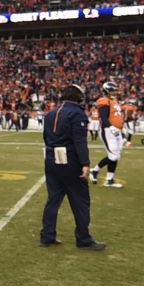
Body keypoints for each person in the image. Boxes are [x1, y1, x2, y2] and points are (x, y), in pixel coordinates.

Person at [40, 84, 107, 250]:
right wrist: (85, 163)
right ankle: (83, 238)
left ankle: (47, 236)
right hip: (70, 161)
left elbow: (46, 138)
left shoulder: (51, 113)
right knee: (81, 201)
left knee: (53, 200)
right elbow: (79, 141)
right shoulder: (78, 114)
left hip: (51, 159)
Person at [90, 81, 126, 188]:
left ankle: (108, 179)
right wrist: (111, 127)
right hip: (108, 131)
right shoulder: (103, 100)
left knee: (116, 156)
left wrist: (121, 127)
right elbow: (104, 117)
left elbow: (116, 116)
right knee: (113, 155)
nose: (115, 92)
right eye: (112, 90)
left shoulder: (114, 101)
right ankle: (97, 172)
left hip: (117, 131)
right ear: (106, 91)